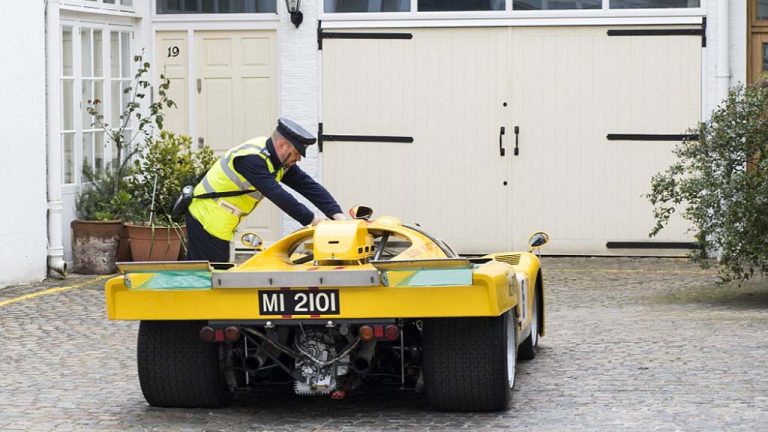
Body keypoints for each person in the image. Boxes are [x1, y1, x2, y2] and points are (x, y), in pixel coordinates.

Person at [185, 117, 345, 262]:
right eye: (296, 153)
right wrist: (313, 220)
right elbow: (276, 194)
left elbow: (307, 185)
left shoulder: (276, 159)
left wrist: (337, 215)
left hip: (221, 220)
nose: (299, 159)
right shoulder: (251, 160)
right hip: (207, 218)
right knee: (209, 276)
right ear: (282, 145)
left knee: (213, 271)